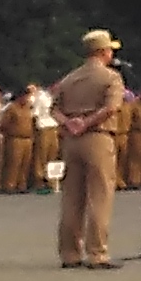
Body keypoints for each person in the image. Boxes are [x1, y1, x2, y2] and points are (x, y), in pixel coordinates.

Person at [51, 30, 126, 267]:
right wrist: (87, 122)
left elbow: (53, 109)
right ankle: (97, 253)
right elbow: (111, 108)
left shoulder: (70, 78)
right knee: (100, 196)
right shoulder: (111, 77)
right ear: (103, 51)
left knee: (72, 197)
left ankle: (70, 254)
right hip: (97, 137)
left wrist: (69, 122)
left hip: (72, 141)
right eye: (110, 50)